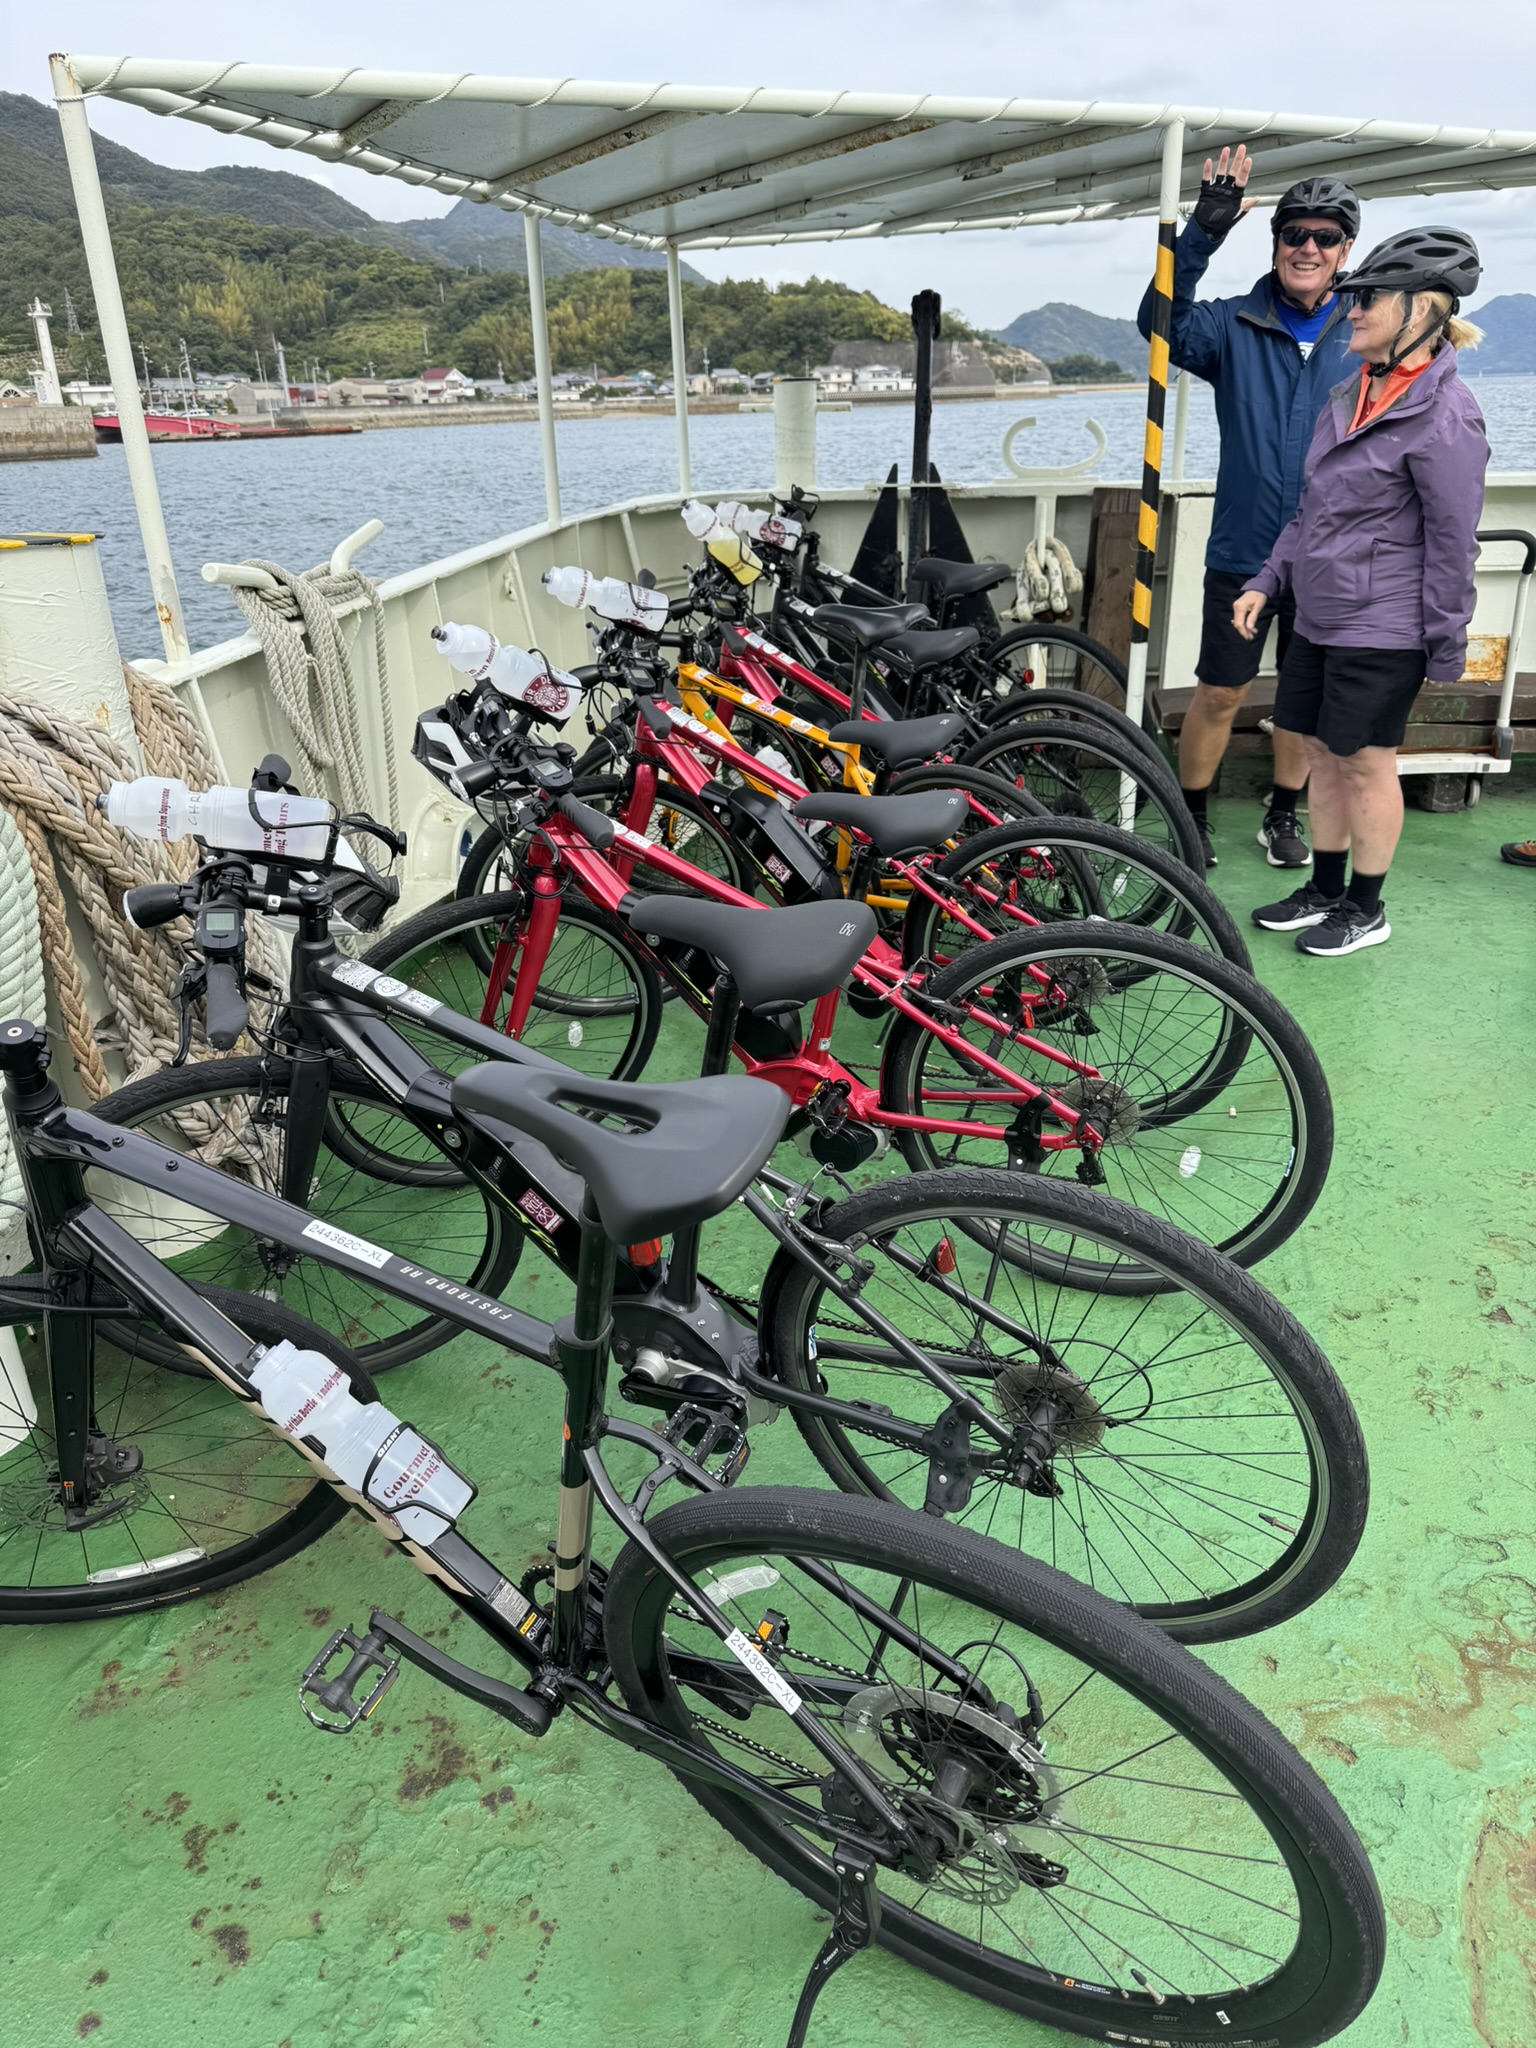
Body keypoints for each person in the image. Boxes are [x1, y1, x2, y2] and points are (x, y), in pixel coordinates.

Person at [1240, 228, 1489, 955]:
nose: (1350, 310)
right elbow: (1308, 508)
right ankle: (1324, 889)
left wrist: (1444, 644)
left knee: (1365, 760)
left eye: (1367, 298)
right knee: (1318, 750)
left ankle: (1366, 906)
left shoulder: (1446, 416)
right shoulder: (1352, 392)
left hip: (1384, 627)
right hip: (1318, 613)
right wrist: (1267, 580)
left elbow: (1452, 544)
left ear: (1423, 310)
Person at [1140, 151, 1360, 870]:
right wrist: (1201, 232)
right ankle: (1191, 818)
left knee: (1304, 700)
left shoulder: (1368, 330)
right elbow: (1158, 319)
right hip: (1244, 550)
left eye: (1326, 236)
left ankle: (1282, 814)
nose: (1308, 246)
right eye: (1294, 232)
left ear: (1345, 250)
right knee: (1220, 691)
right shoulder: (1231, 325)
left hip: (1330, 553)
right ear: (1275, 242)